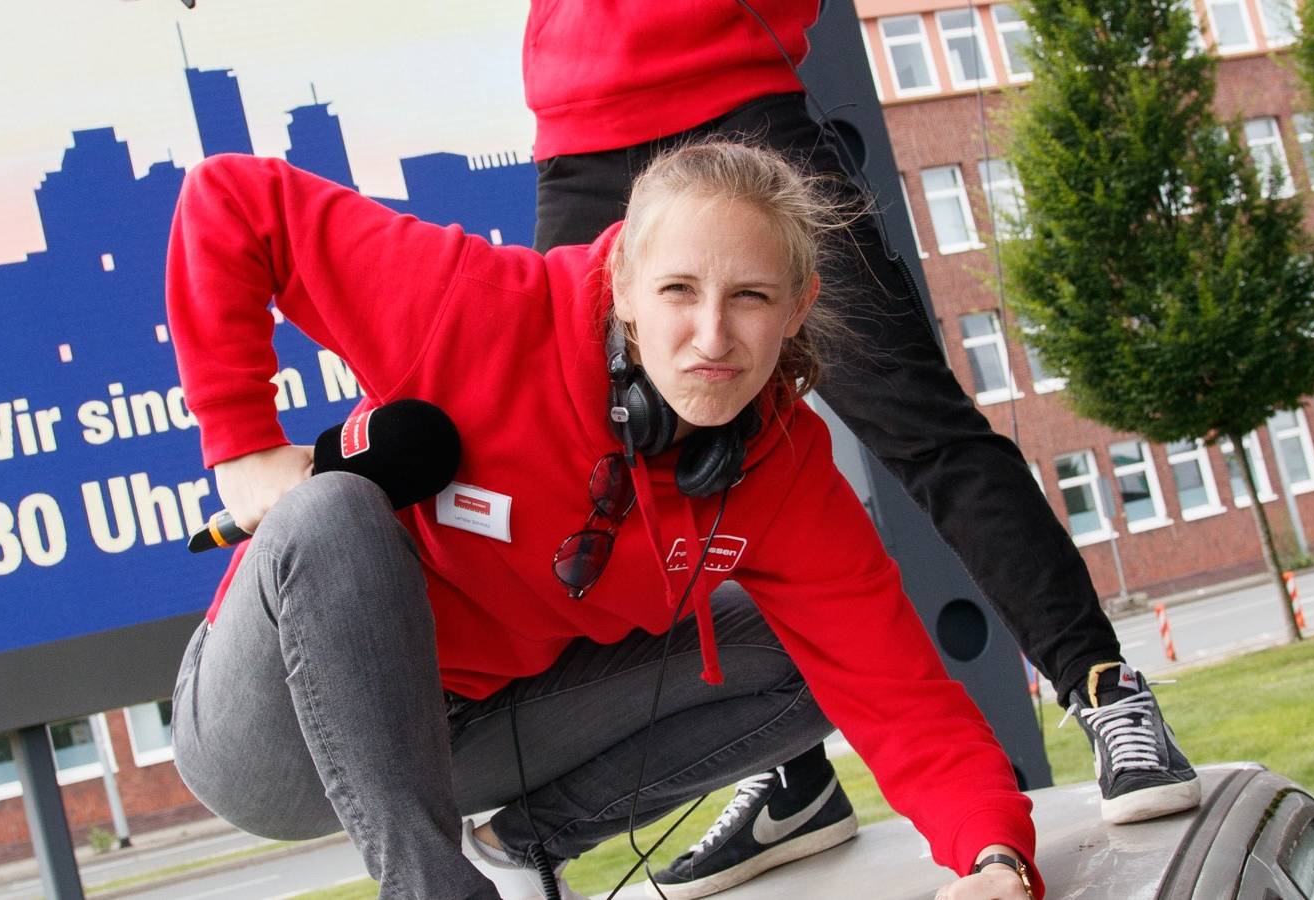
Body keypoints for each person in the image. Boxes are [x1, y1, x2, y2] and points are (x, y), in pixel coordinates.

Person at [165, 141, 1043, 899]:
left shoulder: (782, 469)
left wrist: (997, 857)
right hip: (267, 734)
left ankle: (524, 849)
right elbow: (232, 200)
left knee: (807, 656)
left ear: (798, 308)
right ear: (623, 284)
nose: (712, 337)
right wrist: (242, 444)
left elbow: (903, 697)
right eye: (677, 290)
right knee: (332, 509)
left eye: (750, 298)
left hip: (464, 733)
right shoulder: (479, 308)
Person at [521, 2, 1199, 895]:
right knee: (612, 465)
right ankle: (793, 777)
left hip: (740, 105)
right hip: (580, 133)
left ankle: (1106, 689)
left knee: (919, 425)